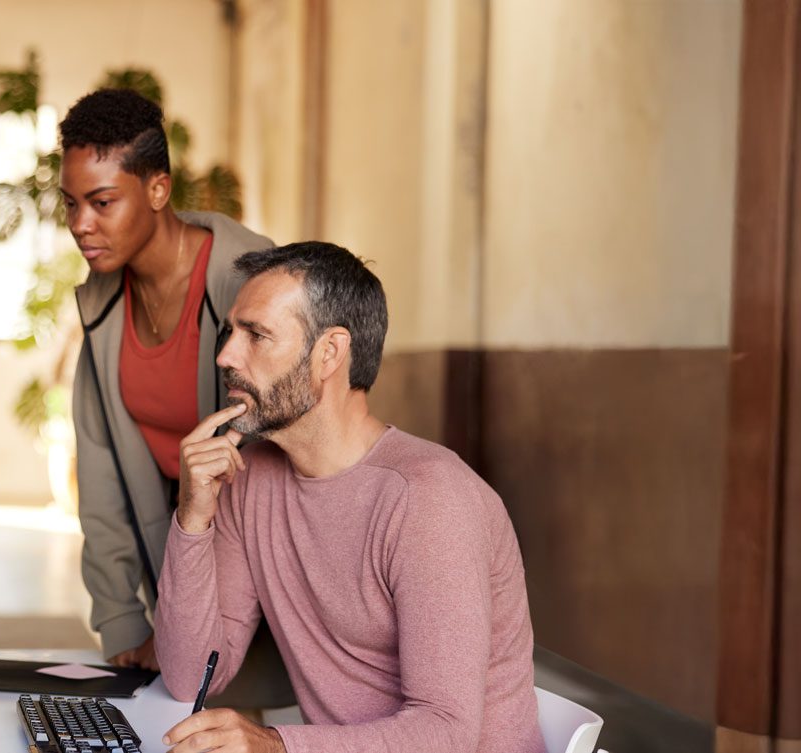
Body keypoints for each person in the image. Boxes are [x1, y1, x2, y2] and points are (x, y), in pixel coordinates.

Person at [154, 242, 542, 752]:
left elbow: (446, 734)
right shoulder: (250, 481)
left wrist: (276, 747)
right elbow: (189, 677)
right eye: (231, 332)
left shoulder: (428, 500)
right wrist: (192, 519)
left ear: (329, 353)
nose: (226, 355)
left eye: (257, 335)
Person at [60, 88, 294, 707]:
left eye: (102, 202)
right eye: (72, 203)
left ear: (158, 190)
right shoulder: (102, 307)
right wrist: (122, 619)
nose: (81, 224)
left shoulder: (249, 280)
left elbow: (280, 463)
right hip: (174, 569)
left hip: (263, 579)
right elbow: (100, 469)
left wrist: (198, 624)